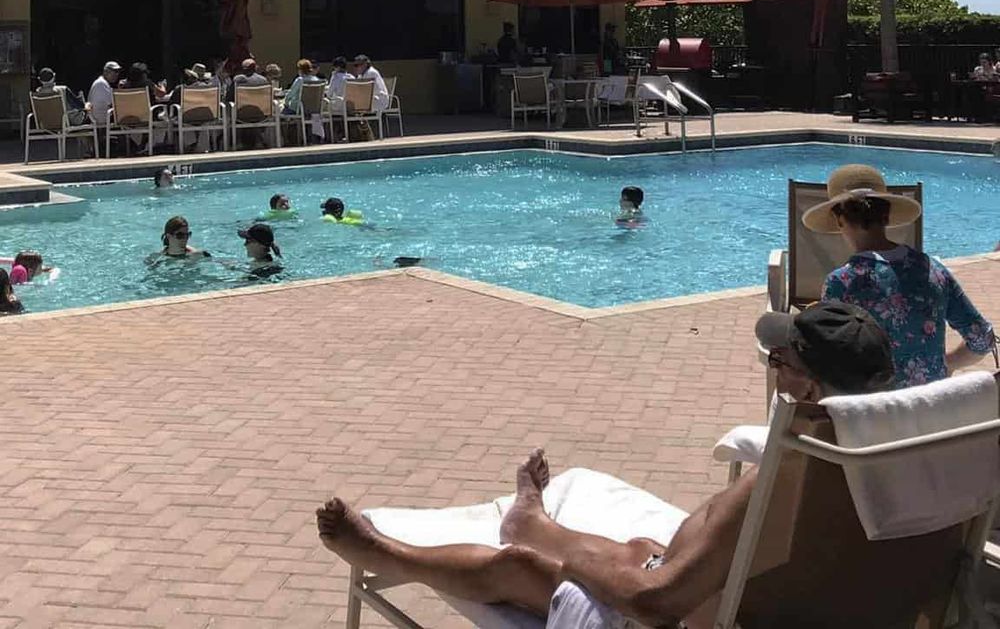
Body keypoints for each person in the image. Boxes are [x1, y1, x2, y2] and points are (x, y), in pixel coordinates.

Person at [316, 301, 894, 629]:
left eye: (780, 361)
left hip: (697, 615)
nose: (774, 373)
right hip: (798, 599)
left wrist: (586, 566)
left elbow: (653, 602)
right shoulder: (898, 455)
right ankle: (534, 523)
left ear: (811, 386)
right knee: (638, 545)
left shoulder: (791, 475)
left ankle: (393, 555)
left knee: (519, 567)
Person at [810, 163, 996, 387]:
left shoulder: (841, 283)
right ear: (886, 217)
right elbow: (983, 339)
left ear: (839, 220)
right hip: (930, 406)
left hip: (877, 411)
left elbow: (828, 361)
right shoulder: (932, 270)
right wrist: (946, 364)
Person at [283, 59, 325, 142]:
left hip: (299, 108)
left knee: (280, 115)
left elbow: (290, 95)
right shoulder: (317, 80)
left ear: (300, 70)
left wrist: (286, 103)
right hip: (313, 109)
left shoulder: (300, 80)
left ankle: (288, 140)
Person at [86, 61, 121, 127]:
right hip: (101, 120)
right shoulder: (101, 84)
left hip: (104, 117)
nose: (117, 74)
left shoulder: (103, 82)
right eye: (115, 71)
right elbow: (115, 103)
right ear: (105, 72)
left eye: (118, 71)